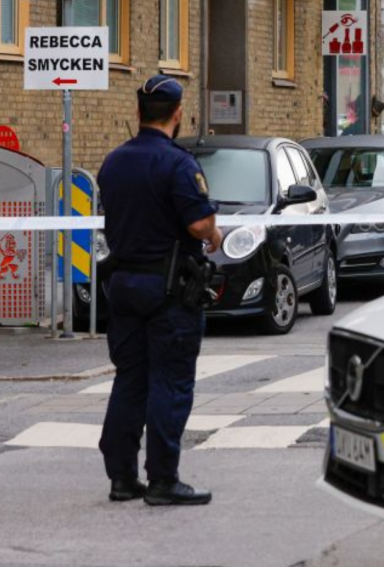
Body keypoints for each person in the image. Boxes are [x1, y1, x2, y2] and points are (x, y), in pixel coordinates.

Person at [96, 75, 222, 506]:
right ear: (177, 115)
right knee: (170, 382)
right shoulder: (178, 164)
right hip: (168, 289)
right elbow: (198, 225)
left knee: (130, 380)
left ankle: (121, 478)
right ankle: (164, 480)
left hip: (122, 285)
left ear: (138, 113)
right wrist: (215, 232)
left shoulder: (113, 161)